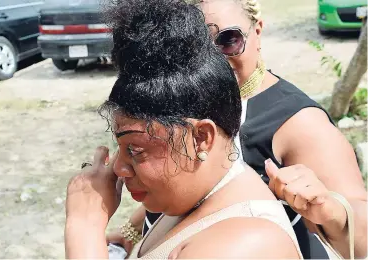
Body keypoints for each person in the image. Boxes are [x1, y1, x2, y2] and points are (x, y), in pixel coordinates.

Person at [107, 0, 368, 259]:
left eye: (228, 40)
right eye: (195, 46)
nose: (214, 57)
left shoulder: (299, 122)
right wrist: (132, 232)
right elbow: (185, 183)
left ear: (257, 31)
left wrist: (331, 211)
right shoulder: (191, 103)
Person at [64, 0, 305, 258]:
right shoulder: (198, 193)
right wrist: (129, 234)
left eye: (135, 149)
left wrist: (85, 225)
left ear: (201, 138)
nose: (119, 169)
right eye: (120, 148)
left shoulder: (246, 244)